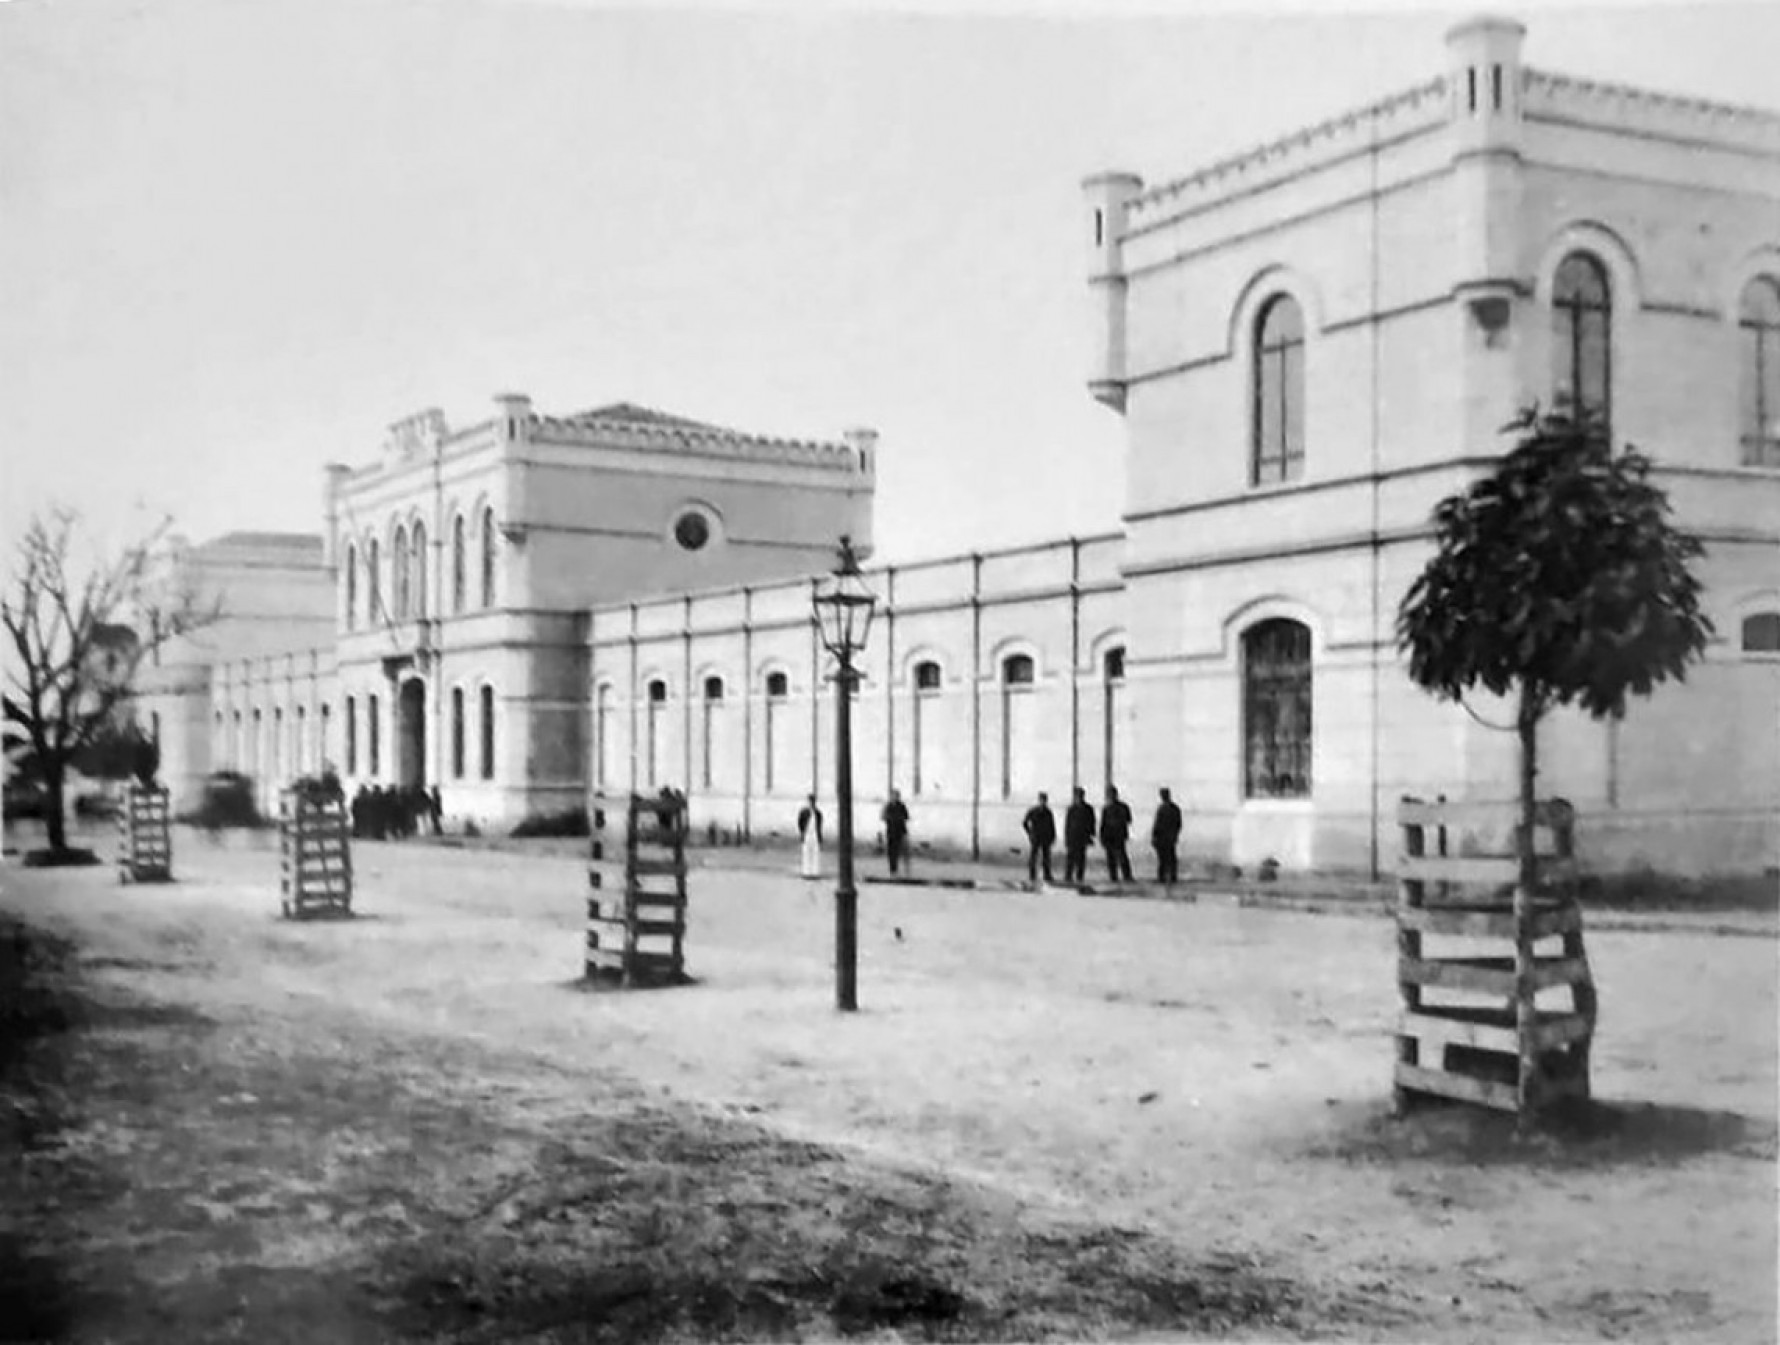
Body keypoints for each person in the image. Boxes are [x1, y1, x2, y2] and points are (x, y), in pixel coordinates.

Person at [1099, 784, 1134, 884]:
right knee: (1111, 858)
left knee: (1122, 857)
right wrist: (1102, 836)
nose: (1111, 796)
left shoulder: (1123, 807)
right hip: (1109, 836)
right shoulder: (1106, 809)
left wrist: (1118, 823)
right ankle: (1113, 877)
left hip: (1119, 836)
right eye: (1109, 794)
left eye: (1112, 794)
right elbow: (1103, 824)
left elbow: (1128, 820)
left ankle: (1127, 876)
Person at [1063, 786, 1096, 886]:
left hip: (1083, 837)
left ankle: (1079, 877)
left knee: (1081, 858)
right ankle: (1068, 877)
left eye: (1080, 795)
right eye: (1077, 796)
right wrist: (1067, 838)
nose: (1079, 798)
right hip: (1072, 837)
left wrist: (1091, 835)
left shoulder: (1088, 809)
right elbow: (1067, 824)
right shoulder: (1071, 809)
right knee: (1070, 858)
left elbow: (1092, 822)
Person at [1022, 791, 1056, 884]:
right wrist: (1030, 833)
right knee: (1033, 857)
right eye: (1042, 800)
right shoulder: (1033, 811)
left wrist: (1053, 836)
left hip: (1046, 838)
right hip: (1036, 837)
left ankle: (1047, 874)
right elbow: (1024, 822)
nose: (1043, 802)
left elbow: (1051, 825)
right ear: (1039, 800)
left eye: (1045, 800)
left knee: (1046, 857)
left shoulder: (1048, 812)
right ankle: (1032, 875)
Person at [1151, 786, 1183, 885]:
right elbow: (1178, 824)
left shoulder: (1162, 808)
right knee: (1170, 857)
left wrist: (1154, 836)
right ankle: (1171, 876)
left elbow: (1158, 824)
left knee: (1163, 858)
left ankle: (1163, 877)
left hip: (1163, 837)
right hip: (1170, 837)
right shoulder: (1175, 808)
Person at [881, 788, 910, 876]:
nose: (895, 798)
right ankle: (893, 870)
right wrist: (892, 819)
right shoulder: (888, 806)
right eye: (893, 796)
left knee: (902, 851)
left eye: (896, 796)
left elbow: (906, 816)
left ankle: (905, 871)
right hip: (891, 832)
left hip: (900, 832)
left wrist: (900, 820)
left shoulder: (901, 806)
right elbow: (884, 817)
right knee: (891, 852)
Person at [796, 794, 824, 880]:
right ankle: (806, 872)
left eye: (813, 801)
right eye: (810, 801)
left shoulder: (818, 813)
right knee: (806, 852)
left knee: (815, 853)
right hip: (807, 834)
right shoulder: (804, 812)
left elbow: (820, 824)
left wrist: (819, 835)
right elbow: (800, 823)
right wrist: (802, 832)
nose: (812, 803)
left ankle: (815, 872)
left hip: (815, 834)